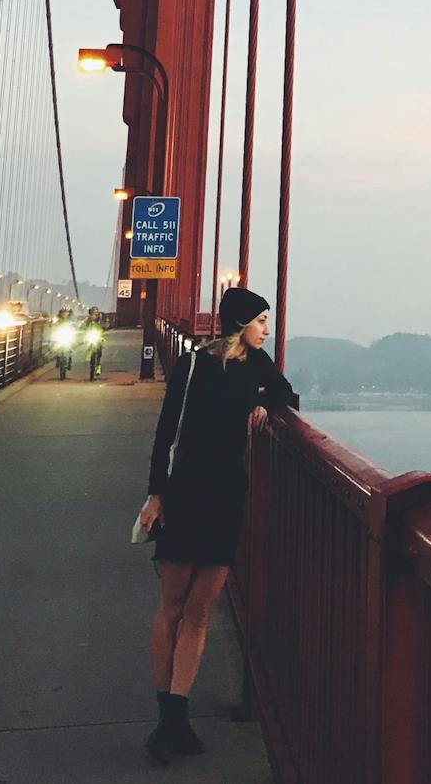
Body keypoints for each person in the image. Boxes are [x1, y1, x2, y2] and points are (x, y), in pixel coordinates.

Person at [137, 286, 295, 762]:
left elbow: (286, 394)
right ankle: (168, 716)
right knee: (172, 606)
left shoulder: (257, 365)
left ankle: (177, 712)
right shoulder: (193, 365)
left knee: (200, 611)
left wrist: (266, 405)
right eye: (262, 321)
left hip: (227, 496)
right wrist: (156, 494)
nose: (267, 329)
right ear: (241, 323)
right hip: (185, 494)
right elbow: (168, 431)